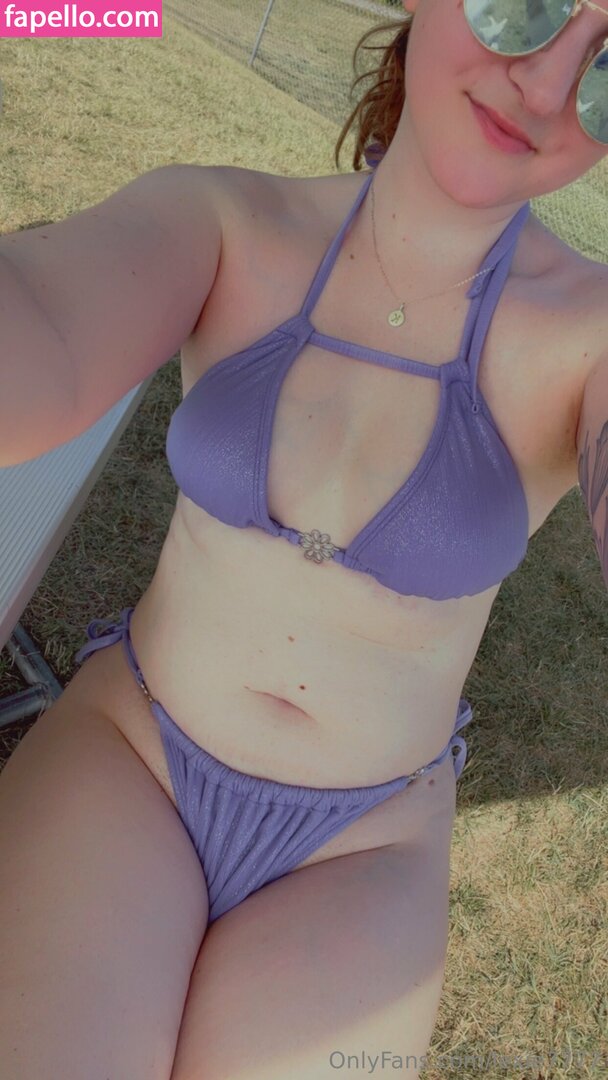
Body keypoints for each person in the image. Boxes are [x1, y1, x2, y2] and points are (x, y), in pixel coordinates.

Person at [1, 0, 607, 1076]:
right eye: (523, 4)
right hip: (132, 755)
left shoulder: (587, 334)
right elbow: (40, 319)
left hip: (366, 847)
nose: (548, 86)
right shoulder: (226, 222)